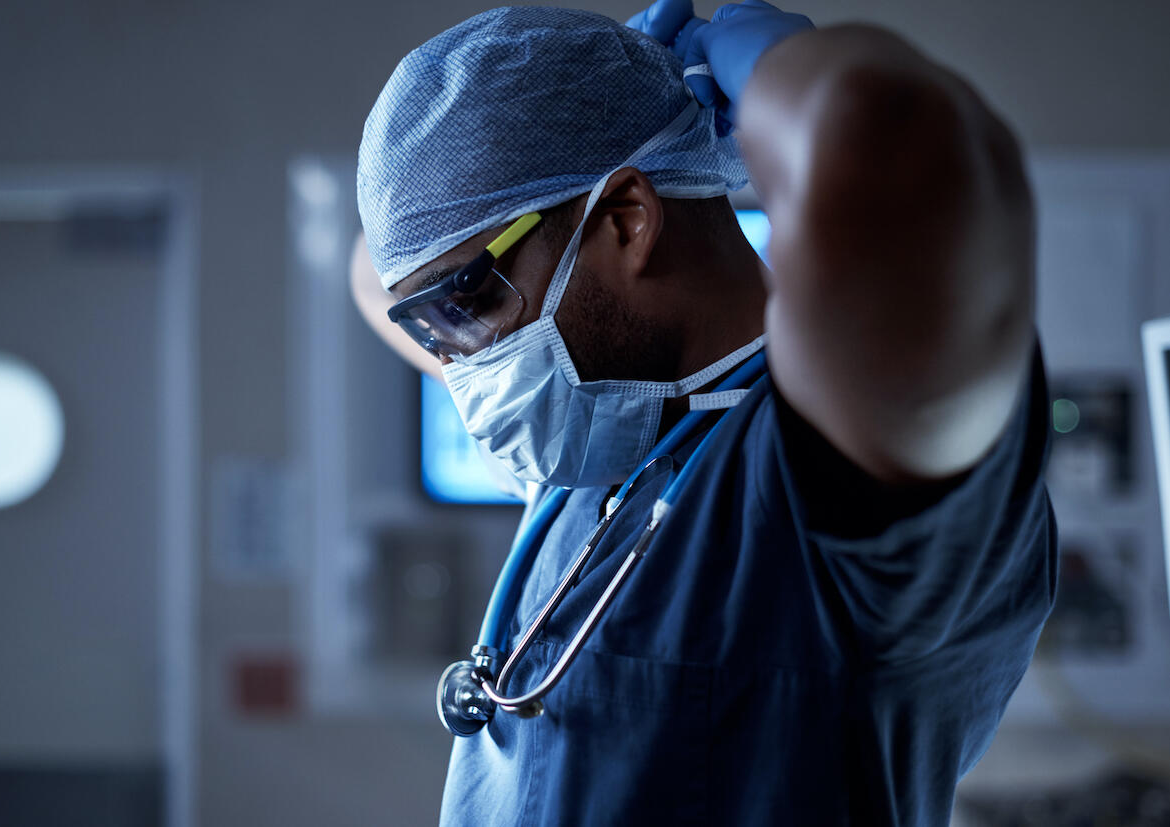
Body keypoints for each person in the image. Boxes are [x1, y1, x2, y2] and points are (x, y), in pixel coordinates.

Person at [353, 2, 1058, 824]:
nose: (460, 368)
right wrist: (562, 117)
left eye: (467, 303)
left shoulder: (840, 474)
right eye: (431, 331)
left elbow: (893, 145)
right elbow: (376, 271)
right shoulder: (600, 440)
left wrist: (772, 82)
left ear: (626, 222)